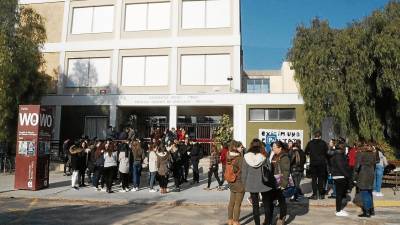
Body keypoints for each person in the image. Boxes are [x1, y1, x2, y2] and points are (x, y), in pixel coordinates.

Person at [242, 138, 274, 225]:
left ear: (251, 145)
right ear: (260, 145)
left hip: (251, 183)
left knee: (255, 206)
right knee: (267, 204)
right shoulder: (264, 155)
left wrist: (243, 184)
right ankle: (267, 223)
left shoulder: (246, 156)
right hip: (264, 182)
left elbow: (244, 172)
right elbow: (270, 169)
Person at [328, 140, 351, 217]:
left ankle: (339, 209)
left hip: (338, 175)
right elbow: (341, 167)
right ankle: (338, 210)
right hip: (340, 176)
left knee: (339, 194)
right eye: (344, 147)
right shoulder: (339, 155)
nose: (345, 148)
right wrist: (347, 175)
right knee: (339, 194)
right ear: (341, 147)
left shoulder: (337, 154)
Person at [354, 143, 376, 217]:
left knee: (365, 193)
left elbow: (357, 167)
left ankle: (366, 212)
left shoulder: (361, 154)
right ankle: (371, 210)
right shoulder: (374, 154)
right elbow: (375, 163)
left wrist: (354, 177)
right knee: (369, 192)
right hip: (371, 174)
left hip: (364, 174)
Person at [305, 131, 329, 200]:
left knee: (314, 179)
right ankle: (321, 194)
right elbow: (327, 153)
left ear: (314, 136)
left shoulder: (310, 143)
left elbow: (306, 152)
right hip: (322, 163)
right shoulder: (323, 143)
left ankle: (315, 194)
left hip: (313, 163)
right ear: (320, 136)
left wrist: (311, 154)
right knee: (321, 179)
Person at [271, 141, 290, 225]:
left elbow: (286, 171)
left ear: (280, 148)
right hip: (274, 182)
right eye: (273, 147)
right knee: (272, 200)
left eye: (275, 147)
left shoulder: (284, 157)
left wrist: (284, 184)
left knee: (282, 201)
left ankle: (282, 217)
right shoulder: (274, 156)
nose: (273, 148)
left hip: (280, 182)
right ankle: (271, 217)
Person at [226, 141, 245, 225]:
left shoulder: (228, 155)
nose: (242, 148)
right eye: (241, 147)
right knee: (238, 204)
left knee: (231, 202)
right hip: (239, 182)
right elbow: (243, 170)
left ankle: (230, 220)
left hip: (231, 181)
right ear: (235, 147)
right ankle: (236, 222)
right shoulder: (239, 158)